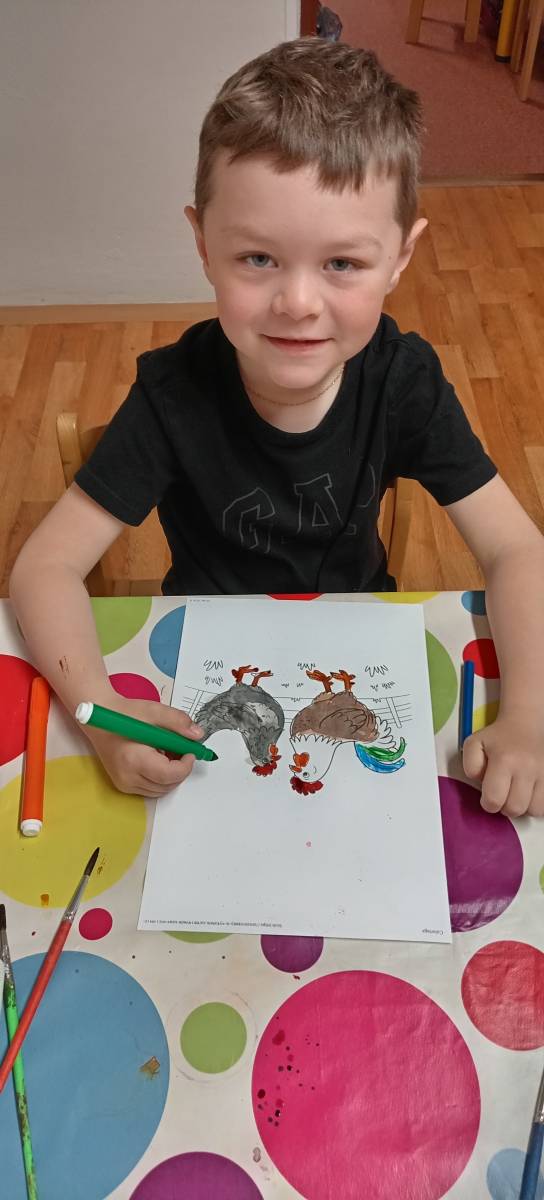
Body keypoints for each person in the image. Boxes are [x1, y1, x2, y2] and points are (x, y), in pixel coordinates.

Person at [10, 38, 544, 816]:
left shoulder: (403, 382)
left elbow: (518, 549)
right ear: (204, 244)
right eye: (258, 258)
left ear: (401, 257)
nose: (297, 302)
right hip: (203, 670)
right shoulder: (171, 395)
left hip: (358, 656)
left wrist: (529, 715)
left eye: (342, 264)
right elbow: (43, 568)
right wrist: (101, 713)